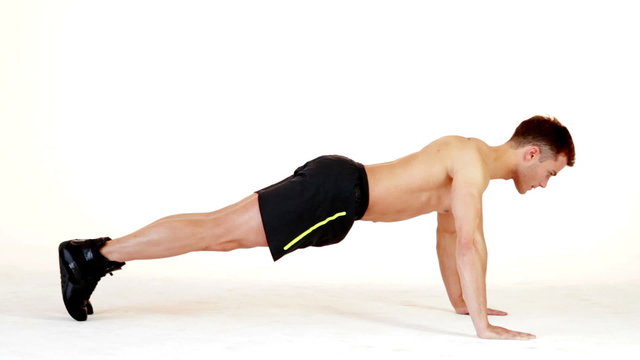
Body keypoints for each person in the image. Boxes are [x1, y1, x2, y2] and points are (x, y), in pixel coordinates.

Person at [58, 115, 575, 340]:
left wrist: (463, 304)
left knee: (217, 234)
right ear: (532, 153)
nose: (544, 184)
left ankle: (97, 255)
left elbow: (446, 236)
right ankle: (95, 255)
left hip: (339, 191)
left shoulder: (469, 162)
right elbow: (469, 241)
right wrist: (483, 327)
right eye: (548, 172)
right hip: (337, 193)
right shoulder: (470, 162)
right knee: (214, 232)